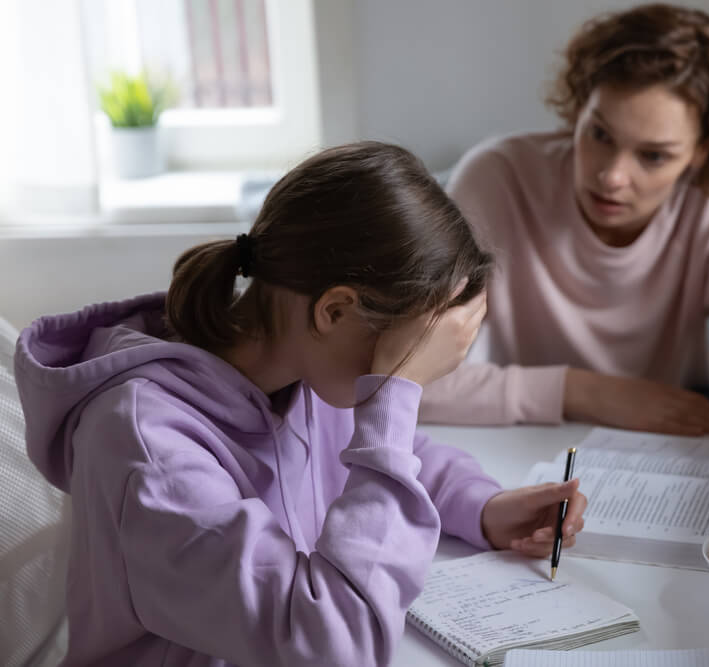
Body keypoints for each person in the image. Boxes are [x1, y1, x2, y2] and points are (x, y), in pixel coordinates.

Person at [14, 142, 587, 667]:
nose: (399, 381)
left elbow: (393, 454)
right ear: (334, 312)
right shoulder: (149, 449)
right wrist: (391, 395)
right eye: (403, 358)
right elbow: (337, 646)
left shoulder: (304, 370)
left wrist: (485, 505)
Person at [420, 3, 709, 436]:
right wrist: (584, 392)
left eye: (653, 156)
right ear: (578, 111)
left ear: (701, 151)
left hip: (660, 453)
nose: (611, 176)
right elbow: (402, 377)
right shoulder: (498, 178)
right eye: (599, 134)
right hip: (522, 441)